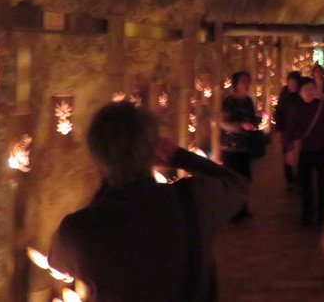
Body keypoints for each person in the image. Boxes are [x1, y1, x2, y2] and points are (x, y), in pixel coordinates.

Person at [49, 102, 247, 302]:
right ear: (153, 149)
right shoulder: (194, 199)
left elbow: (56, 263)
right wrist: (177, 155)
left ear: (95, 156)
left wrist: (106, 182)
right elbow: (237, 185)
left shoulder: (78, 230)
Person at [286, 77, 324, 226]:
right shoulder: (295, 108)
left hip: (322, 148)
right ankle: (307, 215)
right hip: (304, 150)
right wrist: (291, 149)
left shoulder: (322, 105)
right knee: (305, 184)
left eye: (312, 88)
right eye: (306, 89)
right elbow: (291, 130)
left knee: (322, 183)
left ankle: (321, 216)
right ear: (300, 92)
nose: (310, 92)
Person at [220, 71, 261, 219]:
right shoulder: (229, 101)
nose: (246, 84)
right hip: (231, 146)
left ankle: (242, 208)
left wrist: (255, 123)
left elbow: (251, 117)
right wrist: (240, 126)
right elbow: (223, 122)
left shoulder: (248, 100)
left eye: (247, 81)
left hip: (245, 145)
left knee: (245, 178)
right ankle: (232, 211)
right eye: (243, 81)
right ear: (236, 84)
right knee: (233, 179)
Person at [274, 70, 302, 191]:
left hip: (299, 131)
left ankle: (299, 180)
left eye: (295, 84)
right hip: (287, 130)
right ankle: (290, 180)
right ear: (288, 83)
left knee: (300, 155)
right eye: (291, 83)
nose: (293, 86)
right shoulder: (284, 94)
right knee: (287, 155)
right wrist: (279, 129)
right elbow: (278, 112)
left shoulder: (301, 94)